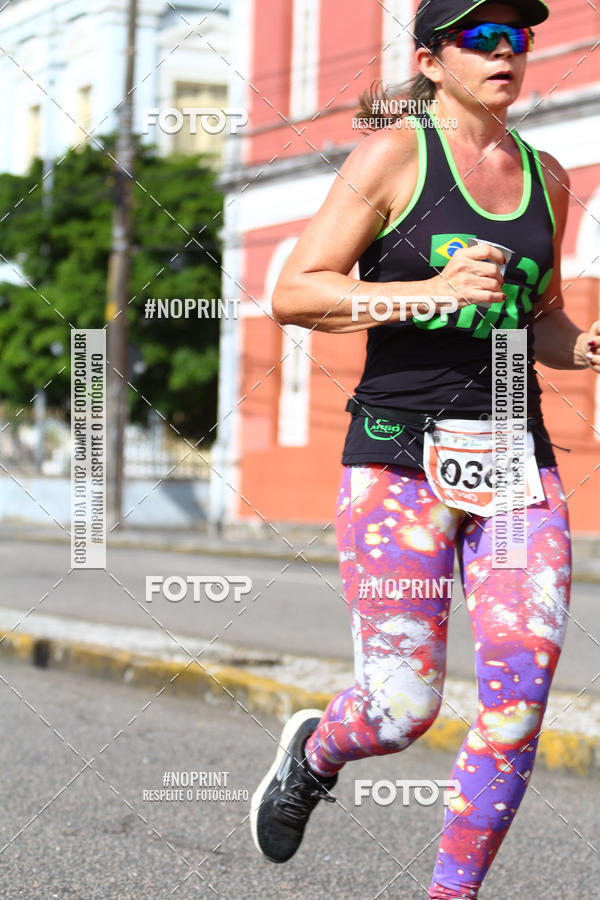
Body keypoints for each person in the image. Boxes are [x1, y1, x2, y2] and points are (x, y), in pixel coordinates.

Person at [250, 2, 600, 897]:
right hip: (397, 458)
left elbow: (542, 318)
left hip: (517, 465)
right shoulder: (395, 156)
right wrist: (426, 292)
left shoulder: (548, 178)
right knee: (403, 706)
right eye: (480, 38)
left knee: (519, 702)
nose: (505, 54)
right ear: (431, 60)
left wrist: (584, 344)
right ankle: (317, 749)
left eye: (517, 37)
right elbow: (294, 291)